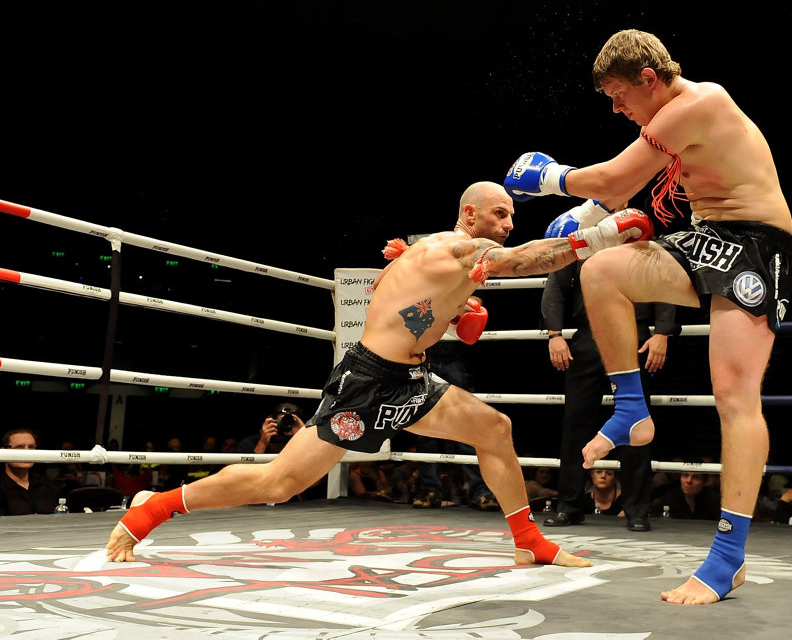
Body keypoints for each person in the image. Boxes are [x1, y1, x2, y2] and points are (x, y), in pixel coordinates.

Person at [106, 181, 654, 567]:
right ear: (469, 215)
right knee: (281, 483)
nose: (508, 225)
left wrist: (449, 314)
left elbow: (409, 310)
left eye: (511, 216)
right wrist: (601, 235)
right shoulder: (462, 249)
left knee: (495, 428)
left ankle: (527, 539)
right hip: (367, 383)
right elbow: (528, 261)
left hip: (412, 380)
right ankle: (149, 511)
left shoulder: (434, 250)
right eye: (499, 215)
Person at [504, 28, 792, 604]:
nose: (615, 109)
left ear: (648, 79)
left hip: (756, 245)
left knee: (735, 397)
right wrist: (587, 212)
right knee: (601, 271)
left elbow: (616, 178)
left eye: (618, 95)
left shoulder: (699, 104)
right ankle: (633, 409)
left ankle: (727, 559)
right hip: (707, 235)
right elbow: (623, 192)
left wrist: (547, 177)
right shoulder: (671, 122)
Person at [541, 226, 678, 532]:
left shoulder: (643, 241)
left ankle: (637, 510)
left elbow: (665, 285)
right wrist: (554, 335)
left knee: (637, 424)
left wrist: (663, 333)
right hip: (589, 336)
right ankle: (570, 506)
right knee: (576, 422)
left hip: (635, 333)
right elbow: (555, 286)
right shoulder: (581, 238)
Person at [412, 337, 500, 511]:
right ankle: (429, 490)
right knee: (425, 429)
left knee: (467, 429)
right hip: (424, 360)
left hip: (455, 360)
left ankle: (480, 491)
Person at [0, 429, 60, 516]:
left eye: (31, 447)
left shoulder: (48, 485)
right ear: (3, 451)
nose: (27, 452)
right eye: (20, 447)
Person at [237, 402, 306, 455]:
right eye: (282, 421)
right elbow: (245, 471)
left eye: (291, 422)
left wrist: (303, 437)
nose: (286, 425)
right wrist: (262, 443)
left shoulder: (303, 441)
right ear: (271, 421)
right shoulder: (250, 442)